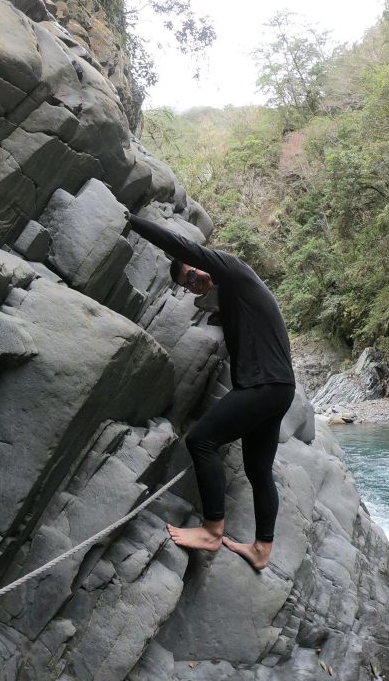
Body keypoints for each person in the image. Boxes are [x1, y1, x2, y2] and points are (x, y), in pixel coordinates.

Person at [127, 212, 296, 571]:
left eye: (192, 274)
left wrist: (133, 221)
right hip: (279, 387)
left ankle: (211, 530)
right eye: (188, 285)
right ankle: (262, 549)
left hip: (262, 384)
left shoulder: (232, 269)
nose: (194, 283)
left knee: (201, 439)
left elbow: (180, 246)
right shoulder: (234, 296)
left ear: (203, 260)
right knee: (258, 469)